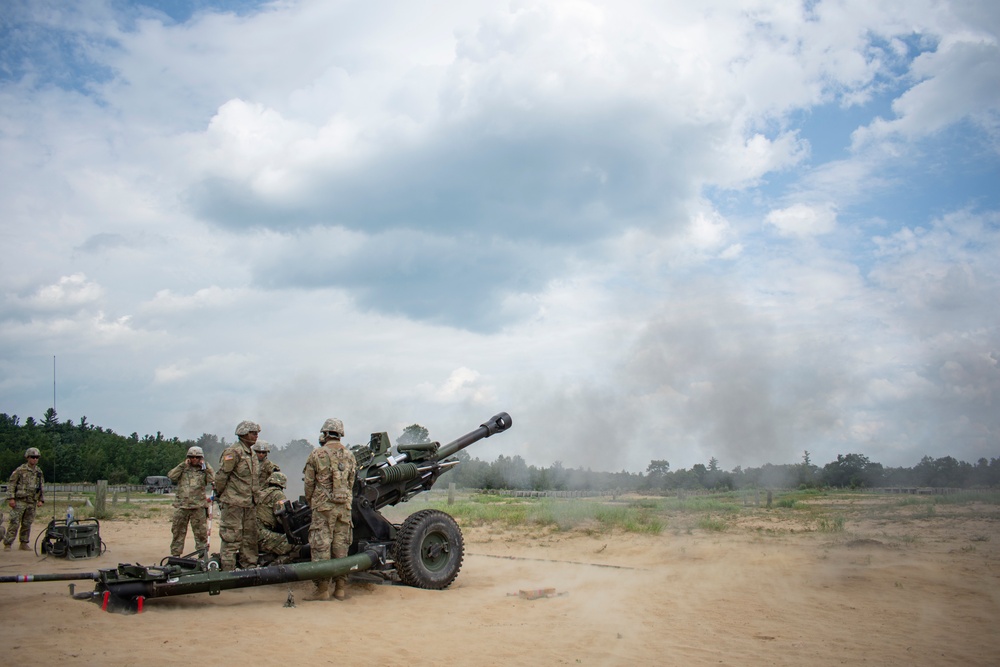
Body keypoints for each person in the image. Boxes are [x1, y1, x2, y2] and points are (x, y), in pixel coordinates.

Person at [302, 417, 356, 601]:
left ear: (325, 433)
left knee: (321, 546)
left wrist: (313, 501)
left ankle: (322, 589)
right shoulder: (350, 455)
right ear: (341, 434)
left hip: (323, 507)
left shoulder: (317, 454)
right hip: (344, 508)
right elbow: (351, 483)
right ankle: (340, 589)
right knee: (341, 547)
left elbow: (309, 483)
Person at [215, 420, 261, 570]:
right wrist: (222, 496)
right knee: (231, 538)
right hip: (234, 504)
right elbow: (222, 476)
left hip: (250, 504)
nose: (256, 436)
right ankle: (228, 570)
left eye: (257, 433)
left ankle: (250, 568)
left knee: (249, 538)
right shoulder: (233, 452)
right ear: (243, 434)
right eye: (253, 433)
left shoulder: (252, 454)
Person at [166, 446, 215, 557]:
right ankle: (175, 555)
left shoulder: (203, 470)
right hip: (182, 506)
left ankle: (202, 556)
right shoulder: (183, 469)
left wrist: (205, 466)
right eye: (192, 457)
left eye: (197, 457)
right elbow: (171, 476)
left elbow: (213, 479)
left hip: (198, 507)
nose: (194, 459)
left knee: (201, 534)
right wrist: (183, 465)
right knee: (178, 532)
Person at [4, 447, 45, 551]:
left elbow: (41, 486)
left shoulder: (38, 472)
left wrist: (41, 499)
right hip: (20, 500)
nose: (35, 459)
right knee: (14, 522)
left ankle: (24, 543)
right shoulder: (20, 470)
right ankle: (8, 543)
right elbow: (12, 484)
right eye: (33, 457)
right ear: (27, 457)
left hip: (32, 501)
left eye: (37, 457)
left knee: (27, 523)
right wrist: (11, 498)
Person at [257, 471, 302, 564]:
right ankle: (275, 566)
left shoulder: (260, 493)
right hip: (261, 535)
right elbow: (283, 518)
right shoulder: (278, 494)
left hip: (251, 534)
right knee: (296, 543)